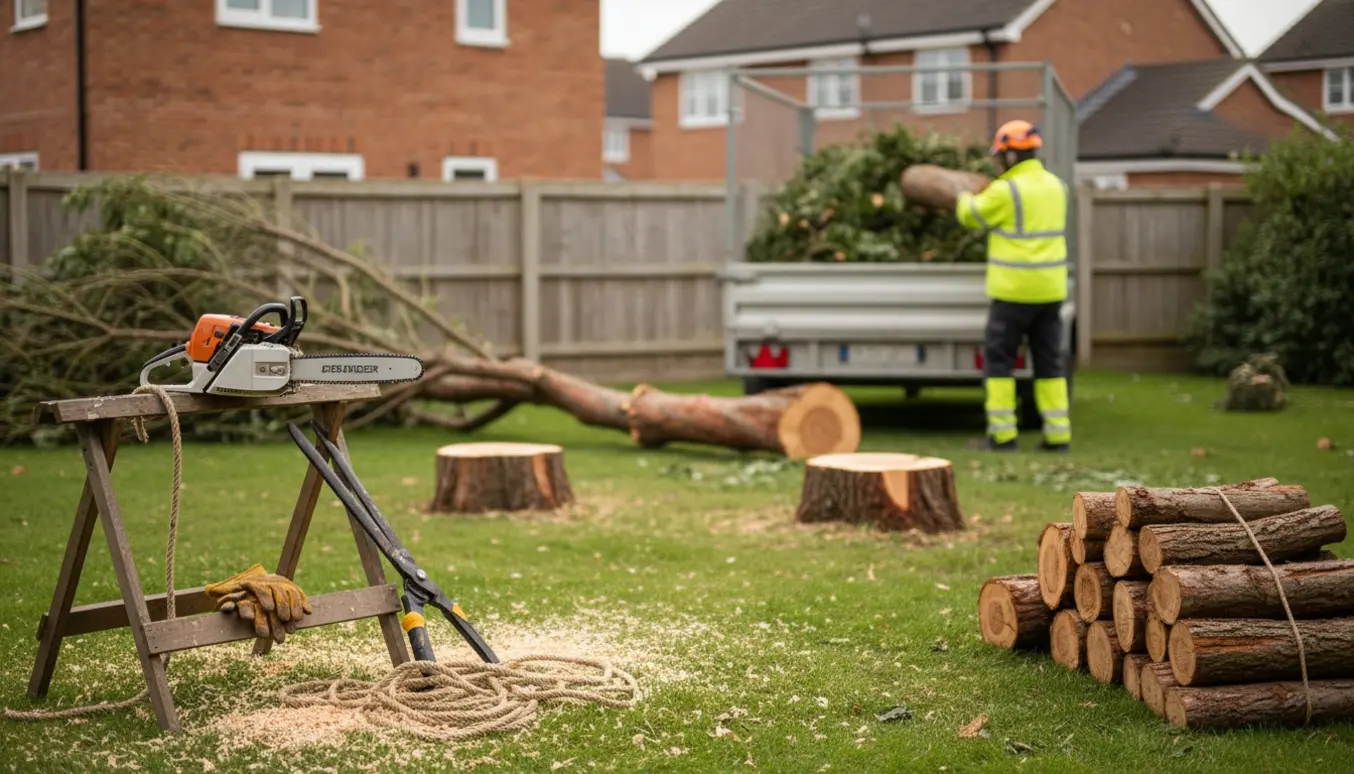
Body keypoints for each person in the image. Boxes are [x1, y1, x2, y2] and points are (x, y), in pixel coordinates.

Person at [955, 119, 1071, 452]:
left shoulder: (1006, 190)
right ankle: (1057, 435)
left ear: (1008, 157)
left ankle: (1003, 436)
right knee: (1049, 362)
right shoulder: (1057, 187)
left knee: (1000, 360)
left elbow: (971, 216)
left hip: (1013, 292)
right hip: (1050, 291)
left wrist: (962, 196)